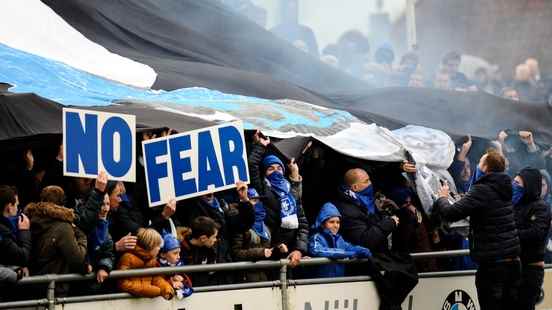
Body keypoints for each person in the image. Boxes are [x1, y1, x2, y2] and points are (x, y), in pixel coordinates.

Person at [436, 149, 521, 310]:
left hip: (493, 268)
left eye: (480, 162)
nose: (477, 166)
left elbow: (450, 213)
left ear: (486, 168)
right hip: (512, 265)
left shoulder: (482, 189)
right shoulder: (505, 188)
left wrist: (442, 197)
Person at [248, 131, 309, 268]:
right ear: (264, 173)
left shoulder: (291, 193)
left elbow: (303, 225)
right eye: (270, 169)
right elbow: (252, 165)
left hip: (291, 256)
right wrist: (260, 146)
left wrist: (299, 249)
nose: (275, 171)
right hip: (269, 254)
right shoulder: (263, 189)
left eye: (278, 168)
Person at [26, 186, 89, 296]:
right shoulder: (63, 227)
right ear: (62, 203)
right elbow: (77, 259)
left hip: (31, 283)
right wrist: (81, 236)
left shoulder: (29, 219)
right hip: (54, 288)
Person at [512, 168, 551, 310]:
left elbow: (536, 233)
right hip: (512, 269)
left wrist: (510, 233)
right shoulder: (514, 205)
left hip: (530, 270)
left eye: (517, 183)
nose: (513, 185)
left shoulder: (541, 207)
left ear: (527, 185)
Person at [308, 202, 371, 278]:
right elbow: (319, 251)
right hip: (319, 285)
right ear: (322, 223)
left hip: (339, 283)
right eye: (331, 222)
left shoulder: (339, 239)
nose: (336, 225)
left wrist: (363, 250)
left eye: (338, 222)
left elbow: (350, 247)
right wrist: (349, 253)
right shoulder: (316, 238)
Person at [117, 228, 174, 300]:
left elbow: (156, 278)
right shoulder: (127, 258)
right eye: (157, 246)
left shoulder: (152, 260)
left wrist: (166, 289)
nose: (159, 249)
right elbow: (123, 284)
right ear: (150, 245)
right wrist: (149, 291)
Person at [231, 188, 273, 282]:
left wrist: (278, 250)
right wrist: (260, 252)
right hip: (245, 279)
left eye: (259, 200)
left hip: (263, 277)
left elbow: (268, 250)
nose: (258, 203)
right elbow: (236, 253)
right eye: (254, 200)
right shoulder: (240, 225)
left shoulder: (265, 225)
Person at [180, 216, 231, 286]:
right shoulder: (181, 252)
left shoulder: (208, 247)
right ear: (203, 238)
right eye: (214, 237)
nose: (215, 240)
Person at [0, 186, 31, 296]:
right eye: (17, 205)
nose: (18, 209)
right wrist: (24, 231)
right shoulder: (3, 231)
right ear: (9, 207)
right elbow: (22, 257)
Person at [158, 232, 193, 300]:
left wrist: (182, 283)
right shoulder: (156, 265)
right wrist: (172, 282)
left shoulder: (179, 264)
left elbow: (190, 286)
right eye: (175, 253)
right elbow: (156, 282)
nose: (179, 257)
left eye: (179, 252)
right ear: (162, 254)